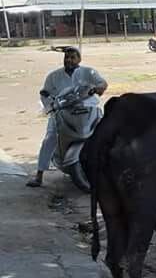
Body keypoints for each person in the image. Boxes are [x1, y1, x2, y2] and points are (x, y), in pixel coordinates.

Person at [27, 47, 108, 187]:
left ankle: (113, 166)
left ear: (79, 59)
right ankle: (39, 175)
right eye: (66, 57)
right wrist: (50, 106)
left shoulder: (88, 72)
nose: (69, 60)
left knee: (106, 133)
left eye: (72, 57)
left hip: (87, 111)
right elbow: (45, 93)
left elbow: (102, 82)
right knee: (50, 138)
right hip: (62, 112)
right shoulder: (54, 76)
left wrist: (99, 87)